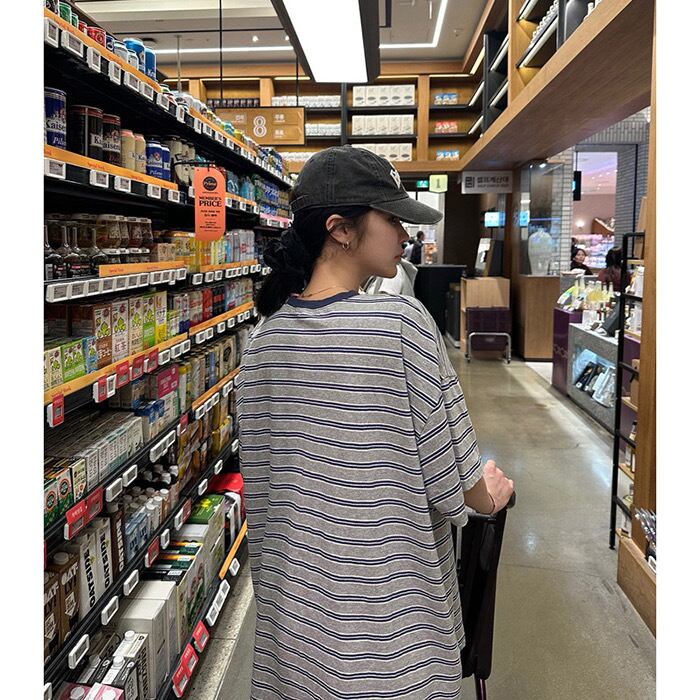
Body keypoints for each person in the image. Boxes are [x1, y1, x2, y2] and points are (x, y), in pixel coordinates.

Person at [236, 145, 514, 699]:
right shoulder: (401, 324)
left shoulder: (262, 343)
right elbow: (459, 489)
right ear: (341, 229)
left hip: (294, 641)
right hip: (392, 641)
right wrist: (494, 491)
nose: (405, 234)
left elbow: (261, 498)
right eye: (392, 218)